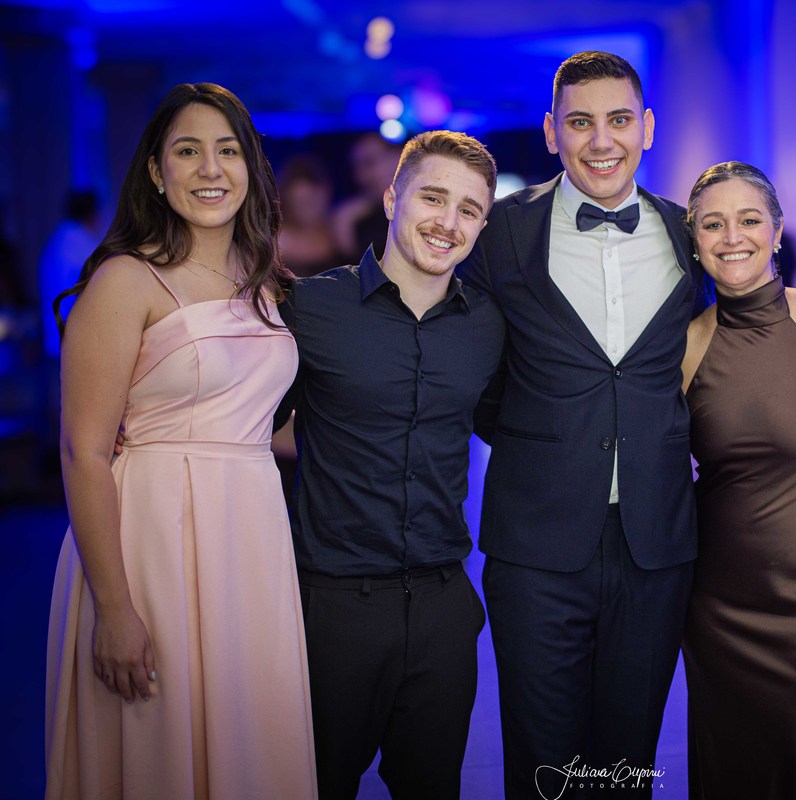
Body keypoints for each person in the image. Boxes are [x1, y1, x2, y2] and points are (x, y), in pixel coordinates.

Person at [44, 83, 316, 798]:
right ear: (157, 172)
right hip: (152, 541)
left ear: (251, 168)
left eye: (228, 151)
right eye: (188, 151)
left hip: (249, 536)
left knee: (246, 740)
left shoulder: (263, 283)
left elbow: (260, 426)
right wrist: (113, 608)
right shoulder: (125, 280)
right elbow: (83, 451)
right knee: (159, 745)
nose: (210, 169)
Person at [458, 51, 709, 798]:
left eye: (619, 120)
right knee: (544, 765)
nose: (602, 141)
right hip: (535, 542)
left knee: (626, 762)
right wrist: (545, 438)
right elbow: (468, 364)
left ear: (647, 128)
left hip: (655, 543)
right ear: (550, 132)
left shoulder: (688, 232)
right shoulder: (501, 231)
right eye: (580, 122)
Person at [275, 130, 504, 799]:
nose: (448, 222)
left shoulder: (489, 326)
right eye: (432, 198)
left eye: (468, 209)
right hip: (333, 607)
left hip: (444, 606)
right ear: (390, 199)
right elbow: (245, 429)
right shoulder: (311, 307)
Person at [680, 162, 796, 799]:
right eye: (713, 224)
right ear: (695, 240)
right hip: (721, 612)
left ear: (778, 231)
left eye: (750, 220)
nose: (732, 237)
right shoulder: (685, 347)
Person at [38, 190, 104, 357]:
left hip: (57, 337)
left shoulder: (58, 238)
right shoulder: (81, 242)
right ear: (93, 214)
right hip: (74, 342)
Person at [331, 132, 401, 262]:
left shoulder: (424, 204)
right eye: (356, 168)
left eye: (369, 163)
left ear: (396, 158)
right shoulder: (357, 218)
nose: (362, 176)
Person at [277, 154, 337, 277]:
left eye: (311, 202)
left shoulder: (339, 231)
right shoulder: (279, 243)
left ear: (326, 193)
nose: (306, 211)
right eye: (299, 203)